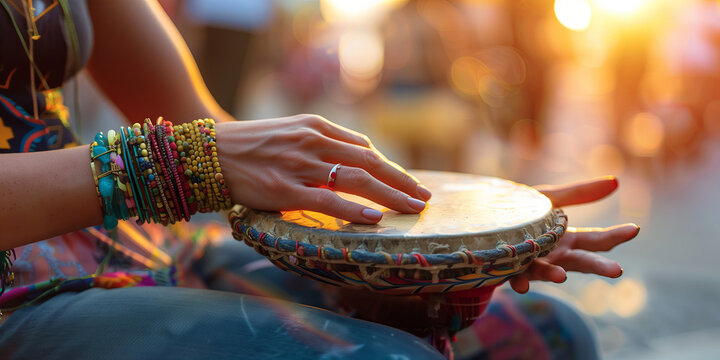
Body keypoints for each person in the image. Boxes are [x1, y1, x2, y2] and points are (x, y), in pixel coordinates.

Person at [0, 1, 639, 359]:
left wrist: (465, 221)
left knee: (548, 336)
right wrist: (174, 163)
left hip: (131, 249)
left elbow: (209, 132)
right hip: (16, 292)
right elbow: (198, 153)